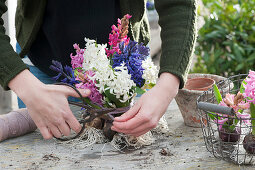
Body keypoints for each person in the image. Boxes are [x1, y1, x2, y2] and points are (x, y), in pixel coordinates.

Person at [0, 0, 197, 139]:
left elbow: (178, 4)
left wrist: (167, 86)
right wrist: (25, 86)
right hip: (42, 76)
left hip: (127, 75)